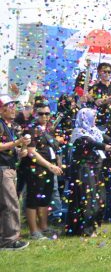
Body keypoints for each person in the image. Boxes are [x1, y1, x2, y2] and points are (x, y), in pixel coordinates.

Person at [65, 108, 111, 236]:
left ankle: (93, 225)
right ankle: (85, 229)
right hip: (83, 169)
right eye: (93, 117)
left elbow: (108, 139)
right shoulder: (79, 133)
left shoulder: (95, 131)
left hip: (96, 168)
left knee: (100, 197)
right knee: (87, 199)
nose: (95, 119)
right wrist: (110, 148)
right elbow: (92, 143)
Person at [22, 102, 64, 240]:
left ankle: (44, 227)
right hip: (36, 169)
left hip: (49, 168)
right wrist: (49, 165)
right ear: (35, 114)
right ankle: (34, 231)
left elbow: (54, 148)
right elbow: (31, 152)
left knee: (45, 199)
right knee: (33, 199)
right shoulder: (31, 129)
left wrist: (57, 162)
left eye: (47, 113)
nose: (45, 116)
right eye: (41, 114)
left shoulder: (48, 129)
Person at [0, 95, 31, 250]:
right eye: (10, 106)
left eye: (14, 106)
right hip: (3, 169)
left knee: (6, 204)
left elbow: (14, 148)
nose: (14, 109)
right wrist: (17, 142)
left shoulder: (11, 126)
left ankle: (3, 238)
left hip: (10, 168)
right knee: (11, 204)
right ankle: (10, 240)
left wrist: (22, 148)